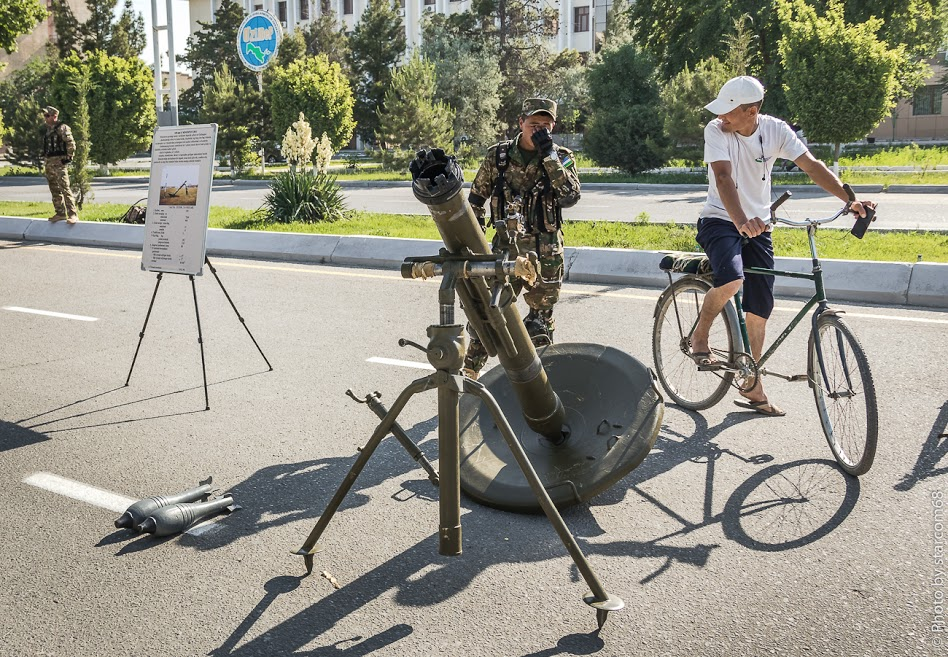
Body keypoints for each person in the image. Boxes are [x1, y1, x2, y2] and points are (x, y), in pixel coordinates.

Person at [690, 76, 874, 417]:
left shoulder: (775, 130)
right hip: (720, 219)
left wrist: (849, 199)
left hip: (758, 225)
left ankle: (751, 381)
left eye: (728, 112)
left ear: (751, 110)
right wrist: (742, 219)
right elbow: (723, 178)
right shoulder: (715, 131)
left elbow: (812, 166)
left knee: (760, 307)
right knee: (732, 281)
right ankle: (700, 336)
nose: (721, 117)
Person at [462, 97, 581, 380]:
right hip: (506, 252)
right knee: (488, 314)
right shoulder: (498, 156)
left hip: (547, 252)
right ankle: (469, 374)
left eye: (545, 125)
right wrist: (473, 245)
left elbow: (570, 196)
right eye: (533, 124)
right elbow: (476, 200)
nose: (538, 129)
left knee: (541, 323)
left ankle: (540, 386)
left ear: (553, 126)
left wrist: (549, 155)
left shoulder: (562, 156)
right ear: (520, 123)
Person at [42, 106, 79, 224]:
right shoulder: (49, 130)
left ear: (54, 116)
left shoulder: (62, 128)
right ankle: (60, 213)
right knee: (54, 189)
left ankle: (73, 214)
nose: (45, 118)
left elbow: (71, 144)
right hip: (49, 163)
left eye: (47, 116)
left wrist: (68, 158)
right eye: (45, 116)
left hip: (59, 163)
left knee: (65, 188)